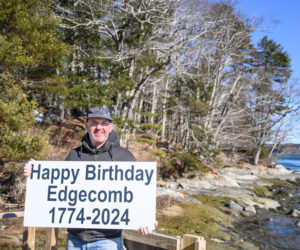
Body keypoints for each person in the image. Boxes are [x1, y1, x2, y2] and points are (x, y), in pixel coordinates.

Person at [24, 106, 155, 250]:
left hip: (108, 241)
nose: (99, 127)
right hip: (74, 240)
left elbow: (137, 194)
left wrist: (146, 217)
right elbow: (58, 188)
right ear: (87, 126)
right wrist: (37, 173)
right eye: (94, 122)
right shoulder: (74, 155)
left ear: (111, 127)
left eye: (104, 123)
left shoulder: (125, 157)